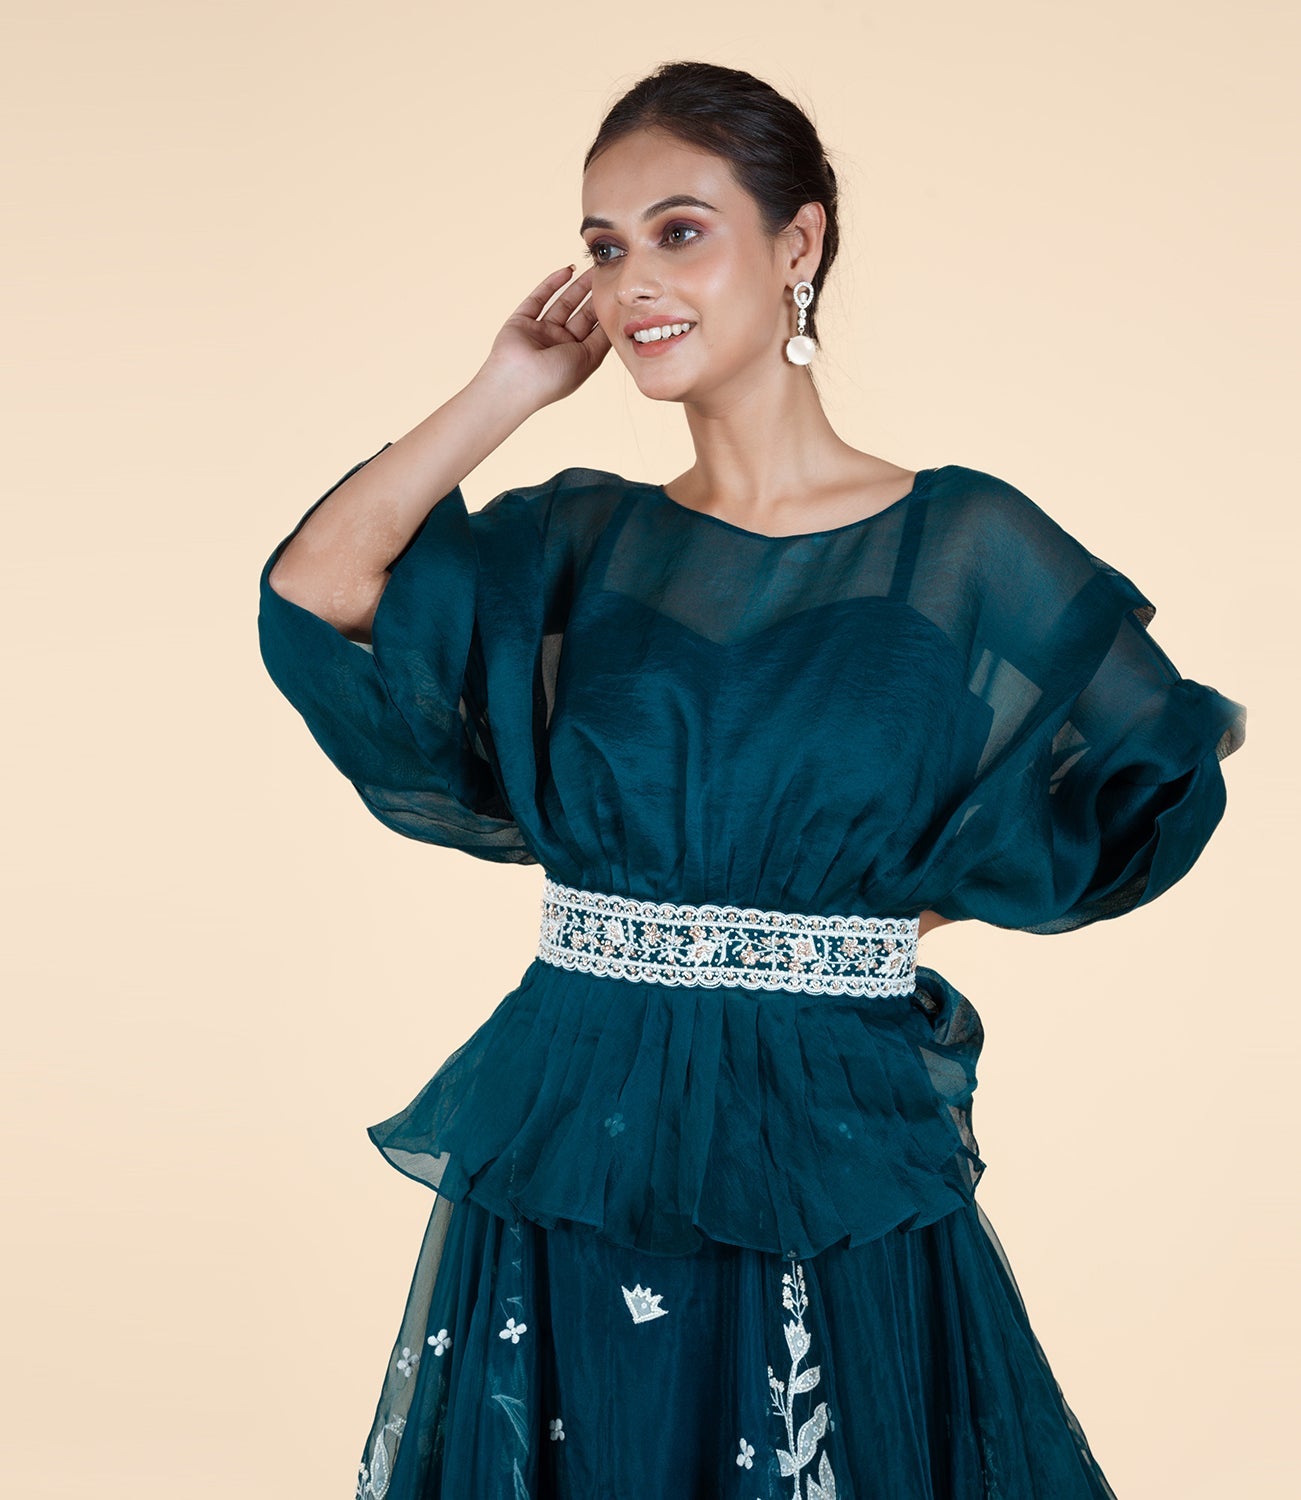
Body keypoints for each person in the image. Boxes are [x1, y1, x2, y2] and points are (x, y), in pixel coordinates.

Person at [257, 59, 1246, 1500]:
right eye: (605, 248)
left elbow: (1153, 776)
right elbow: (319, 593)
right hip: (582, 1126)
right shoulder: (575, 545)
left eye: (680, 231)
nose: (633, 283)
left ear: (800, 243)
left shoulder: (959, 547)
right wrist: (508, 387)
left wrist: (894, 906)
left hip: (827, 1131)